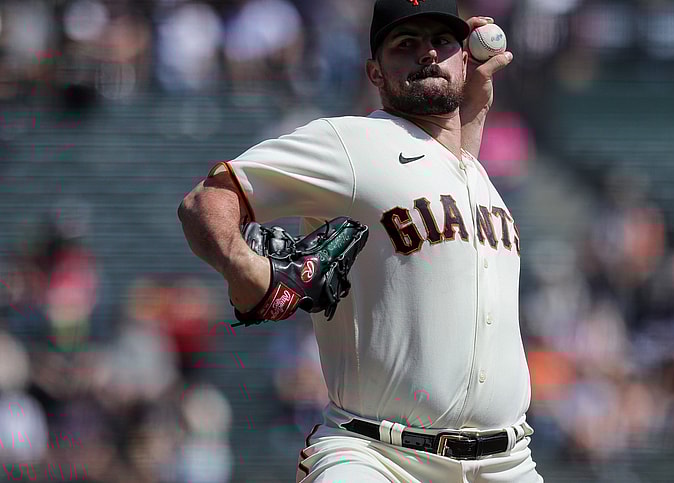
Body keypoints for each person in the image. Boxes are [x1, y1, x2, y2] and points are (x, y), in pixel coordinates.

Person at [177, 0, 541, 481]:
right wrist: (248, 269)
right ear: (375, 72)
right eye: (405, 45)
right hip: (378, 456)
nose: (427, 54)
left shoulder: (473, 172)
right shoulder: (349, 143)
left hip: (506, 463)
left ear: (464, 57)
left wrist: (472, 109)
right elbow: (206, 201)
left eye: (442, 41)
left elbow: (438, 169)